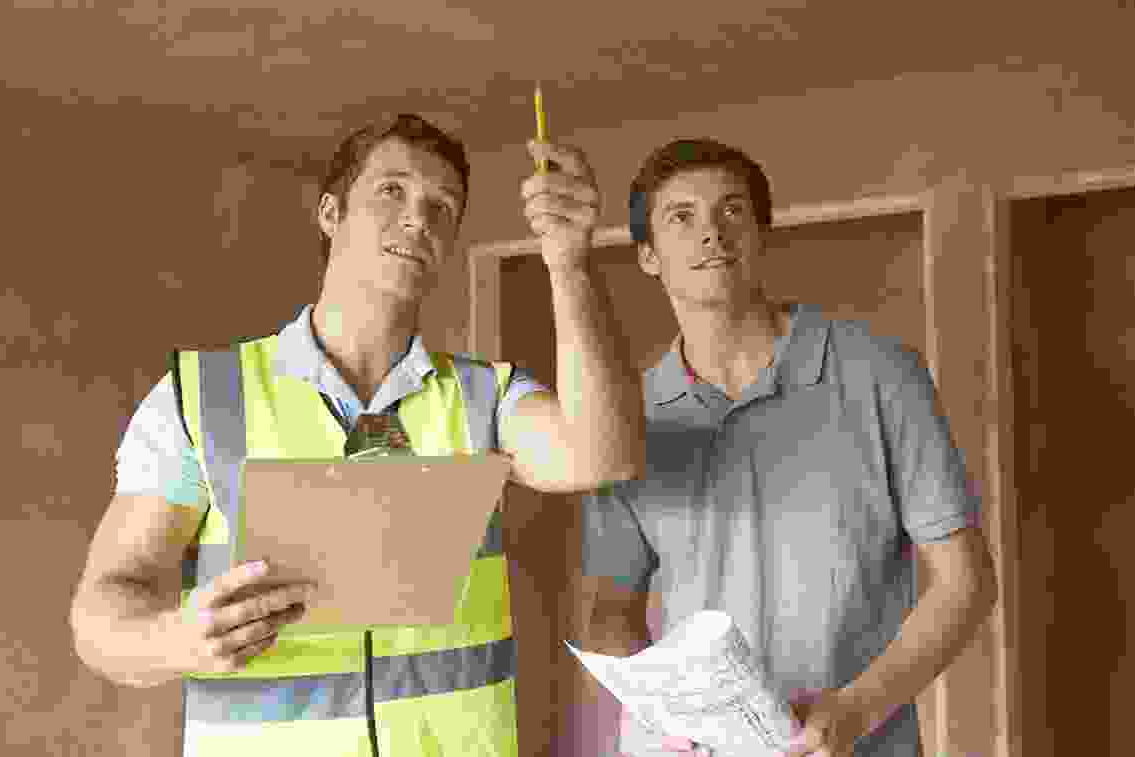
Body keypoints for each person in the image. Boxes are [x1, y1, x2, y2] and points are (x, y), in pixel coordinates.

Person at [68, 113, 646, 757]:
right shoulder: (201, 397)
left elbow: (603, 455)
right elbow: (102, 613)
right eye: (392, 191)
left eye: (441, 207)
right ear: (330, 212)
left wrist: (569, 265)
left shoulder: (486, 397)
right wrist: (172, 640)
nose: (418, 218)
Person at [577, 139, 998, 757]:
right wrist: (666, 716)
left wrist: (856, 709)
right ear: (648, 256)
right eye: (681, 217)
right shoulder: (629, 418)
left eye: (732, 210)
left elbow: (966, 583)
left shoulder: (879, 374)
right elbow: (610, 611)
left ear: (762, 234)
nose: (711, 232)